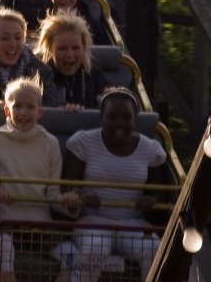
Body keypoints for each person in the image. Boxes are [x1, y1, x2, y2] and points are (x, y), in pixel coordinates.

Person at [0, 77, 80, 282]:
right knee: (4, 251)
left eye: (30, 107)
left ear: (40, 112)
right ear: (7, 111)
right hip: (5, 223)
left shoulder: (50, 144)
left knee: (73, 256)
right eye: (17, 106)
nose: (23, 113)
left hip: (41, 225)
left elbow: (52, 194)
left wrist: (68, 203)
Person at [57, 87, 166, 282]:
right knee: (94, 249)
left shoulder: (150, 149)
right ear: (102, 118)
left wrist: (151, 200)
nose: (119, 123)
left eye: (126, 117)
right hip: (93, 221)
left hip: (132, 224)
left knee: (155, 250)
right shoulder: (84, 142)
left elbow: (159, 191)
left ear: (134, 119)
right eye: (112, 117)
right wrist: (81, 197)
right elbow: (67, 185)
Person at [36, 11, 109, 110]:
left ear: (84, 48)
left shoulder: (95, 75)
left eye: (75, 48)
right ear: (49, 50)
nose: (70, 55)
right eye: (62, 49)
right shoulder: (38, 77)